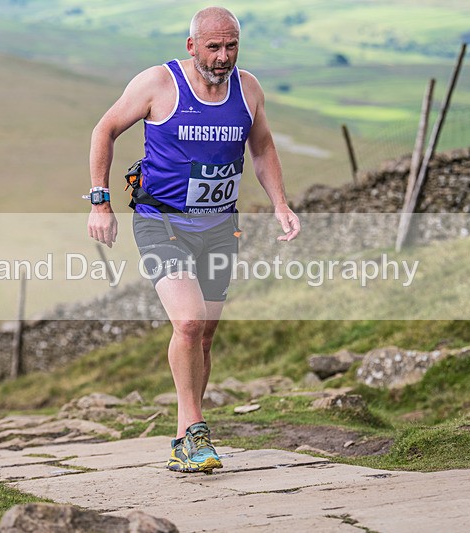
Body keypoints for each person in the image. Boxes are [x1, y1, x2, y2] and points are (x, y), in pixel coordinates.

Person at [87, 6, 300, 473]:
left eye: (231, 47)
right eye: (213, 47)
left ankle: (188, 432)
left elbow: (261, 146)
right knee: (187, 322)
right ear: (191, 46)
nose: (223, 57)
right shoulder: (158, 85)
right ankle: (192, 433)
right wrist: (100, 202)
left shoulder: (248, 90)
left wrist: (281, 203)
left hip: (221, 226)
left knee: (203, 337)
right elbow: (104, 129)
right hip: (161, 221)